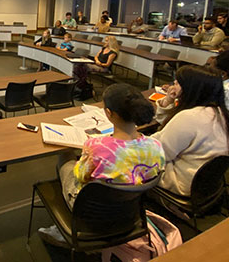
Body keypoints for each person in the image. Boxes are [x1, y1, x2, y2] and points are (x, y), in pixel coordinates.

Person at [38, 84, 165, 247]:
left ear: (109, 114)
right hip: (129, 209)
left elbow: (80, 176)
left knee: (66, 158)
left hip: (89, 209)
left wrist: (84, 156)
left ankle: (62, 225)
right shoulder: (155, 146)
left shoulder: (96, 146)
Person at [153, 66, 229, 196]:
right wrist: (169, 100)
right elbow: (167, 124)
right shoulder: (218, 112)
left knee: (126, 156)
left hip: (181, 181)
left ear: (191, 88)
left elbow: (158, 154)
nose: (173, 85)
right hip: (203, 181)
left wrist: (135, 139)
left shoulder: (190, 117)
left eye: (178, 83)